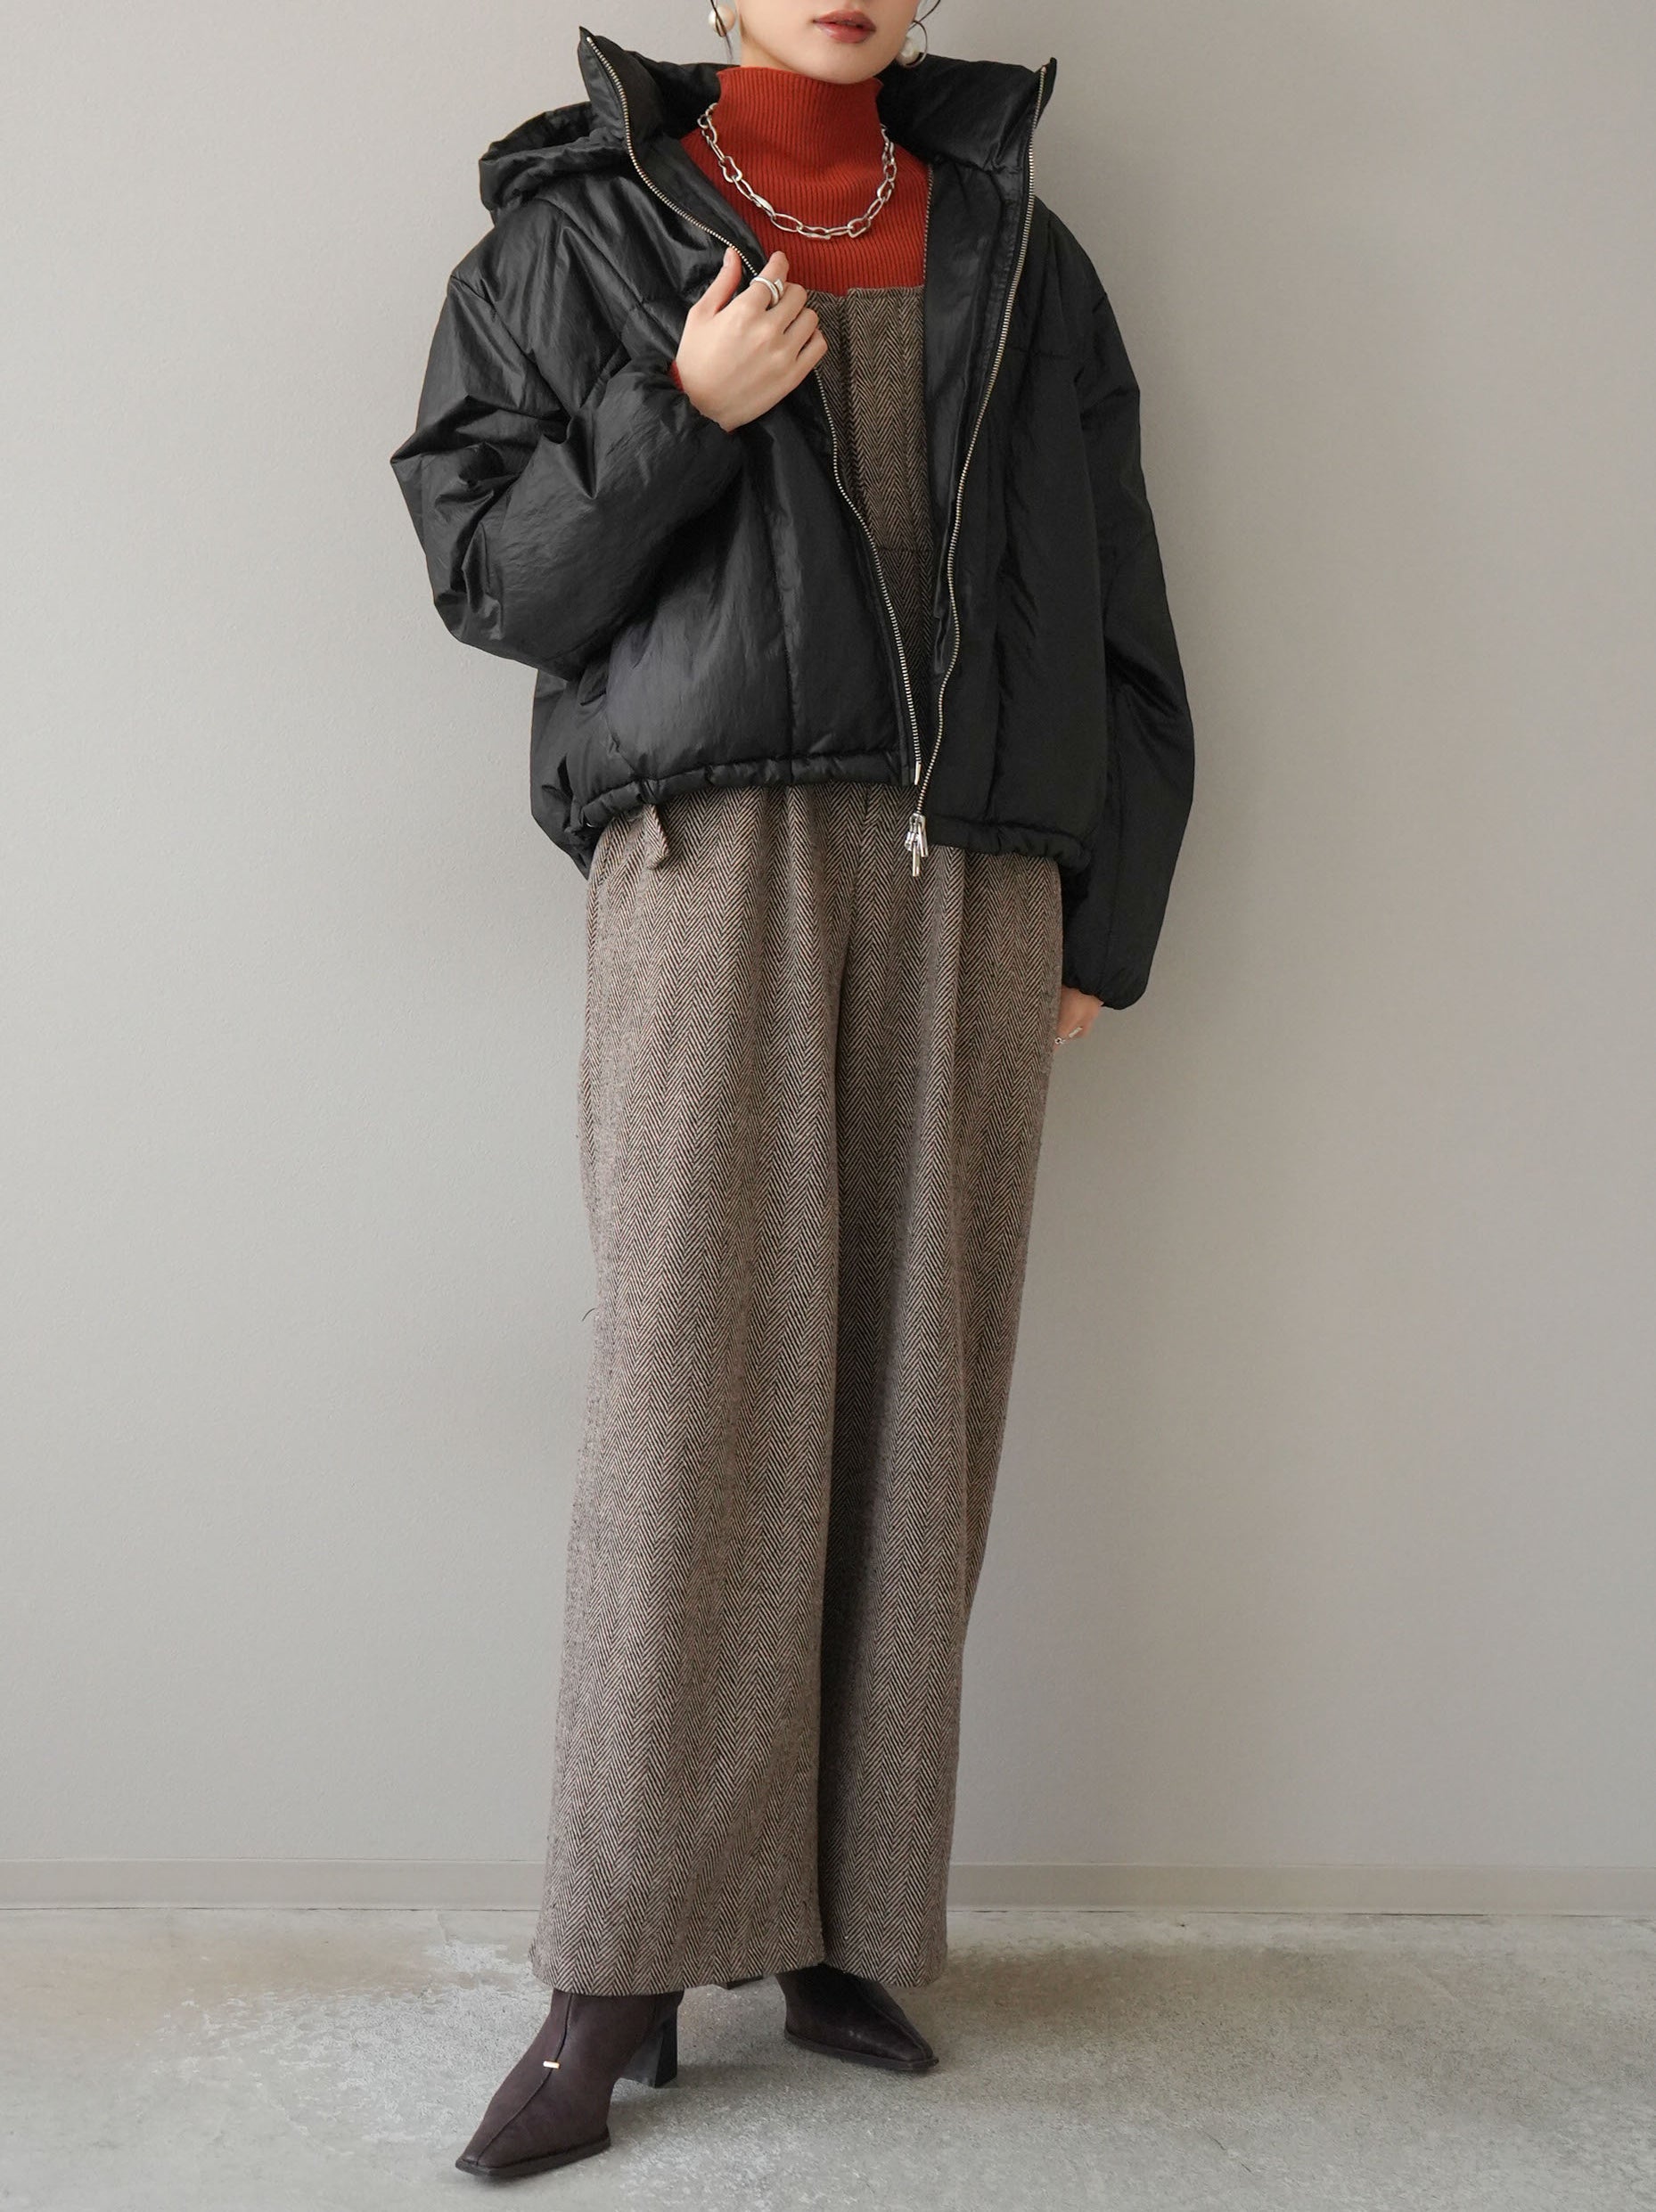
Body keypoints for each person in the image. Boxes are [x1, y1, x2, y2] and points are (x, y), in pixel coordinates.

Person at [389, 0, 1194, 2181]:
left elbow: (1117, 586)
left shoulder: (1015, 239)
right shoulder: (573, 235)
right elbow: (493, 577)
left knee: (921, 1405)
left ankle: (839, 1923)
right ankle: (617, 1963)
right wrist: (684, 406)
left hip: (980, 870)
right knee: (694, 1404)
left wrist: (1103, 907)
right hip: (709, 848)